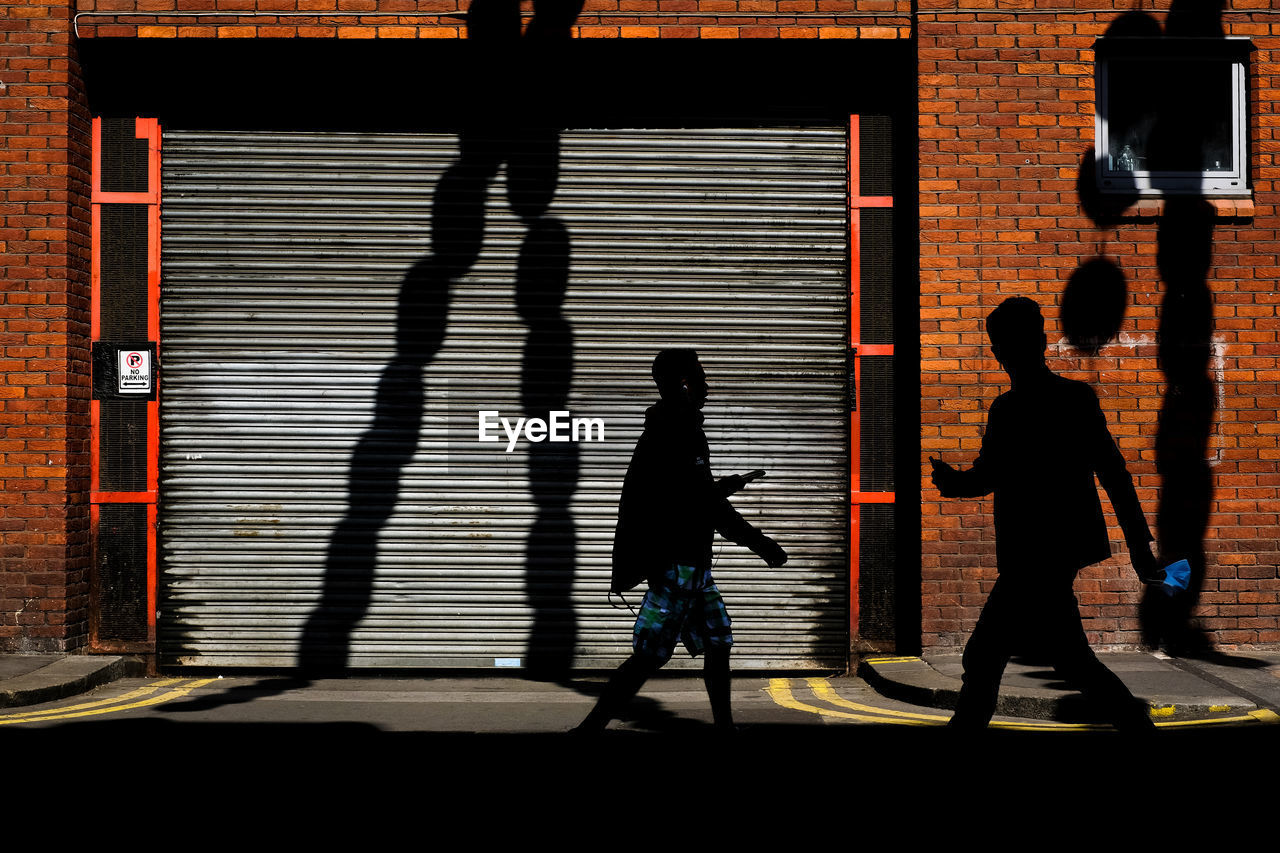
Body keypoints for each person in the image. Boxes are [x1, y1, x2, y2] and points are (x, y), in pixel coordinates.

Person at [930, 296, 1166, 732]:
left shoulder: (1049, 403)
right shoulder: (1031, 405)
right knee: (1065, 658)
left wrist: (1139, 547)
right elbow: (991, 476)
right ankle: (1137, 726)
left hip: (1038, 556)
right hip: (1044, 553)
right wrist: (955, 482)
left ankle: (964, 735)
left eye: (1006, 342)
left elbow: (1112, 473)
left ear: (1022, 345)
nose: (1004, 351)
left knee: (987, 655)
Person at [572, 349, 787, 733]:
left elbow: (688, 493)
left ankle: (724, 727)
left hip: (692, 568)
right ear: (684, 384)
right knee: (649, 656)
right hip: (676, 566)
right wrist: (761, 544)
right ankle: (589, 730)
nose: (708, 388)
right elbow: (702, 503)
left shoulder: (674, 426)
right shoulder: (676, 430)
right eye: (701, 379)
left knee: (718, 643)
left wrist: (730, 483)